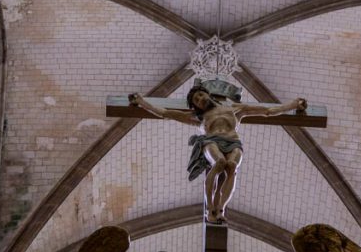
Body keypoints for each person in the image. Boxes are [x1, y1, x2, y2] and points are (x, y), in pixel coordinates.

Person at [129, 82, 307, 223]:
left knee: (231, 167)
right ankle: (210, 205)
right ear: (196, 107)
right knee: (219, 163)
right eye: (196, 101)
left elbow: (268, 111)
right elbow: (165, 113)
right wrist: (142, 102)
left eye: (200, 95)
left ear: (207, 94)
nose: (200, 100)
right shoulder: (198, 118)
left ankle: (220, 207)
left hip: (233, 141)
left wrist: (293, 104)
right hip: (211, 141)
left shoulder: (235, 109)